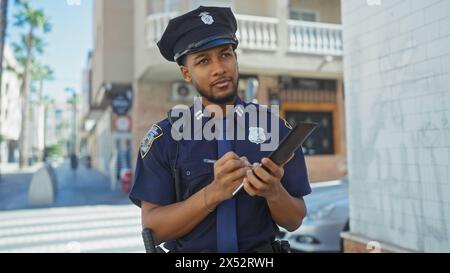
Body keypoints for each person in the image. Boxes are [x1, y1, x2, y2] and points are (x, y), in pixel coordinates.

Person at [129, 6, 311, 253]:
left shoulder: (275, 129)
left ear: (235, 58)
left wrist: (273, 191)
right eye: (203, 60)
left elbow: (294, 220)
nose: (219, 68)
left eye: (225, 54)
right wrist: (213, 193)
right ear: (186, 73)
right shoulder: (164, 139)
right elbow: (154, 228)